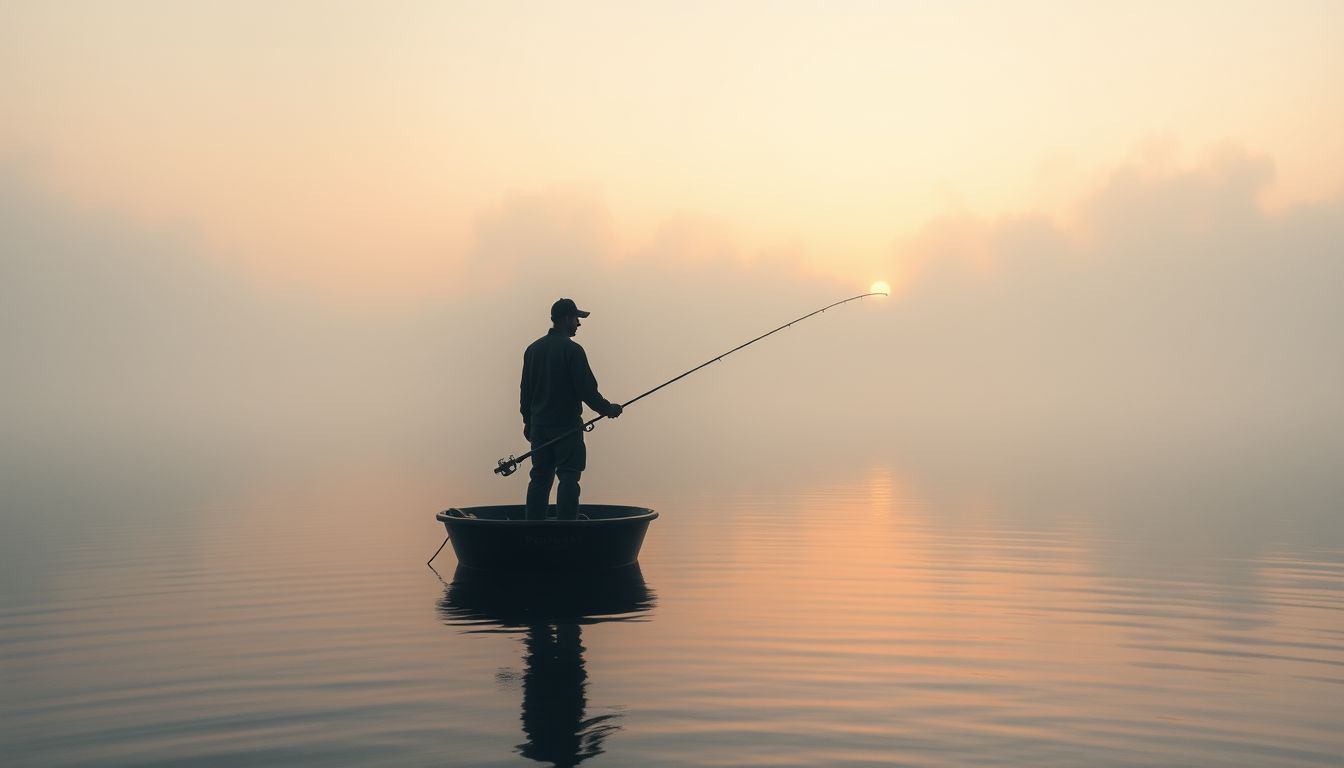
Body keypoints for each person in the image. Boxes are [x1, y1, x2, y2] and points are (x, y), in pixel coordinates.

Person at [520, 298, 623, 520]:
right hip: (566, 427)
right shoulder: (573, 350)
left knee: (539, 476)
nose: (578, 324)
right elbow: (587, 391)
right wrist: (609, 409)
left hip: (539, 428)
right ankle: (567, 526)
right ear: (566, 319)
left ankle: (531, 526)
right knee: (568, 476)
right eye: (576, 319)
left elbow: (525, 392)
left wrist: (528, 422)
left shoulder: (532, 350)